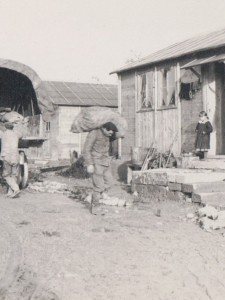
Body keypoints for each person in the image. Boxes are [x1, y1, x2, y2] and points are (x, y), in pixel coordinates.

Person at [82, 122, 118, 206]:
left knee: (110, 182)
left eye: (112, 132)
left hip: (105, 162)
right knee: (99, 186)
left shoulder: (108, 135)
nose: (111, 133)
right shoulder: (94, 133)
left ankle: (95, 196)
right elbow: (86, 149)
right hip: (96, 162)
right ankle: (95, 206)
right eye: (110, 131)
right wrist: (89, 164)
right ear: (104, 128)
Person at [0, 122, 22, 198]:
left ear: (6, 127)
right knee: (14, 175)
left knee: (6, 175)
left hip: (7, 156)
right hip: (15, 156)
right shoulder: (16, 134)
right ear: (12, 127)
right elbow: (21, 135)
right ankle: (10, 192)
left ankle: (16, 189)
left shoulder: (3, 134)